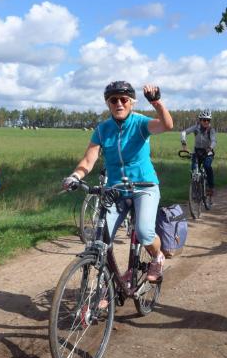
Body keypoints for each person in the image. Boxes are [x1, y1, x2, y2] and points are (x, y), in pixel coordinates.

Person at [62, 81, 174, 291]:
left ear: (132, 102)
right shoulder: (103, 130)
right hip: (115, 190)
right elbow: (89, 160)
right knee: (101, 239)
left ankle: (157, 257)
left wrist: (156, 102)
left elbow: (167, 125)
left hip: (144, 187)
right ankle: (105, 290)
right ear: (108, 104)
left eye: (124, 99)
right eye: (114, 100)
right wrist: (75, 176)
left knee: (144, 231)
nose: (119, 104)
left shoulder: (140, 123)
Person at [181, 109, 217, 197]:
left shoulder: (211, 130)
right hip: (197, 152)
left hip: (208, 153)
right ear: (200, 120)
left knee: (207, 166)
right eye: (204, 120)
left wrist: (210, 148)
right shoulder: (196, 128)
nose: (206, 122)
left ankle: (211, 187)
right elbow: (183, 132)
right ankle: (195, 189)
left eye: (208, 120)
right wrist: (184, 143)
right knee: (193, 170)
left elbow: (214, 141)